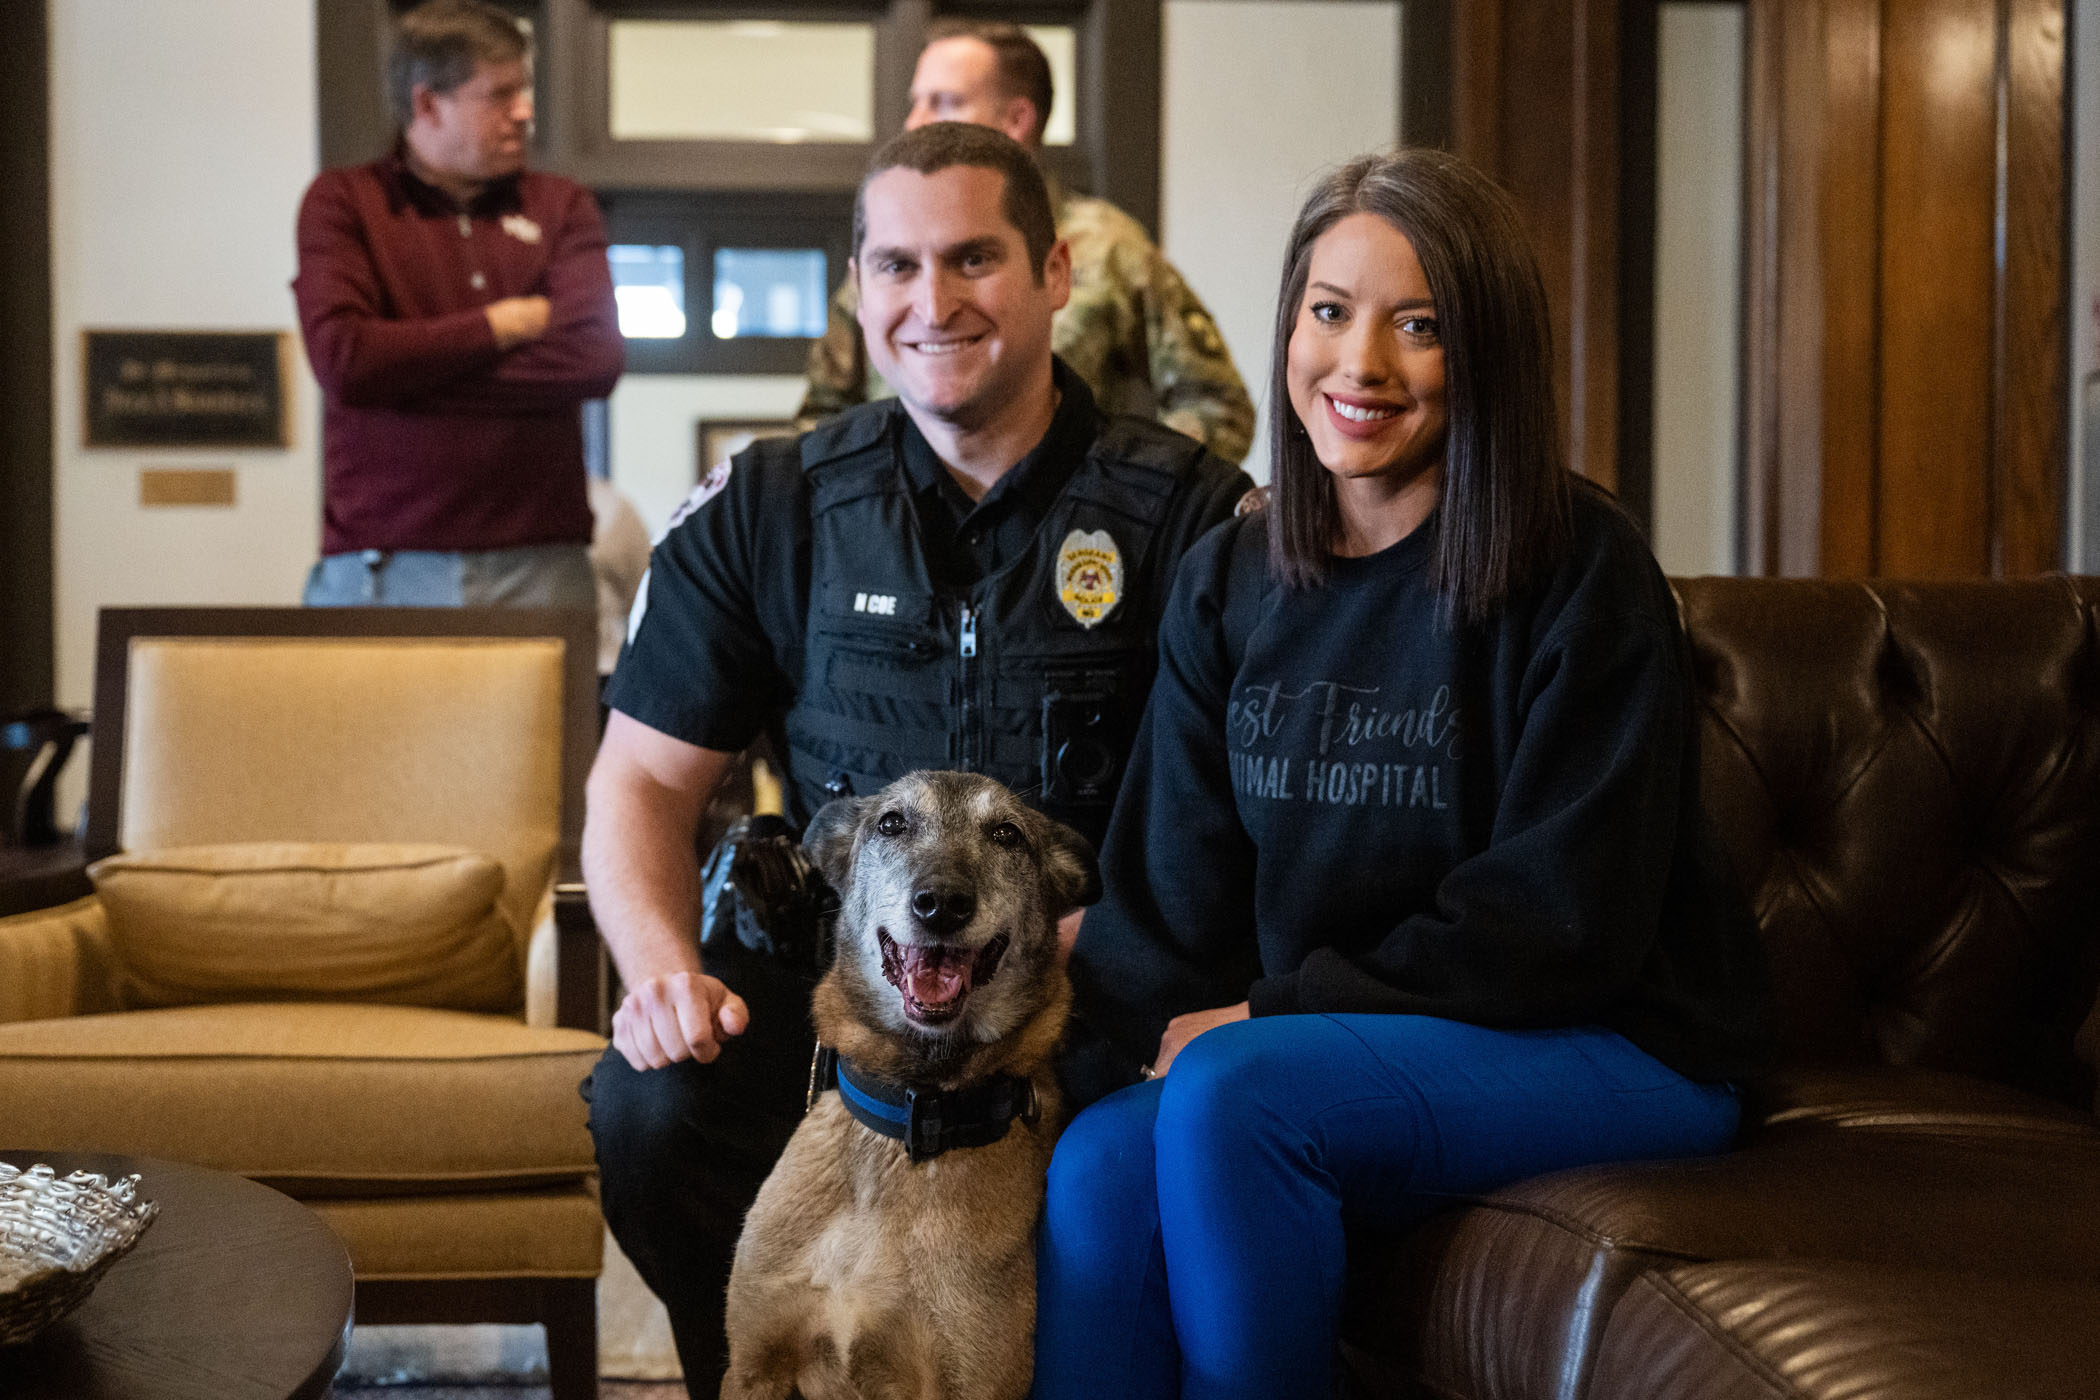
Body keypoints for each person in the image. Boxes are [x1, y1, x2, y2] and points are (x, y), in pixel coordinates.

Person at [1035, 148, 1773, 1400]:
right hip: (1323, 1046)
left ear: (1486, 354)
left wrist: (1278, 1015)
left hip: (1609, 1036)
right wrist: (1082, 1050)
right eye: (1329, 312)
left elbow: (1560, 922)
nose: (1359, 366)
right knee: (1100, 1164)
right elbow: (1166, 897)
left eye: (1418, 327)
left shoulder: (1581, 566)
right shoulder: (1232, 578)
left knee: (1234, 1096)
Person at [581, 121, 1254, 1394]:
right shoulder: (770, 507)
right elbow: (640, 781)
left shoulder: (1190, 517)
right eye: (893, 265)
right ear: (855, 290)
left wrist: (1141, 956)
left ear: (1056, 272)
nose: (930, 302)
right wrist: (663, 974)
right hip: (833, 997)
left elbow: (1255, 810)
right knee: (650, 1108)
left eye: (972, 260)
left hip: (1097, 999)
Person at [798, 20, 1256, 464]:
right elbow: (822, 414)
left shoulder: (1110, 246)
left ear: (1017, 119)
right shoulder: (889, 254)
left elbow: (1217, 404)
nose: (915, 123)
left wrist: (1135, 498)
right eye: (914, 103)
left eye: (942, 102)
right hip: (900, 523)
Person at [292, 0, 623, 608]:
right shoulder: (343, 203)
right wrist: (500, 324)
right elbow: (344, 361)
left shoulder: (562, 206)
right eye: (499, 95)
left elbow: (594, 361)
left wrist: (402, 375)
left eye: (524, 90)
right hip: (382, 569)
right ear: (426, 103)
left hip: (542, 565)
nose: (523, 112)